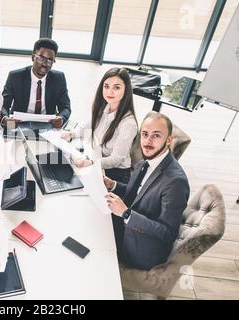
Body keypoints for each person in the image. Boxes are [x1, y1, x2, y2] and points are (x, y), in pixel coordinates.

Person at [103, 112, 190, 270]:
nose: (148, 141)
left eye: (156, 136)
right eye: (145, 134)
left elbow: (167, 233)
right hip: (126, 227)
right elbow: (138, 194)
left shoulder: (176, 182)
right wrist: (113, 185)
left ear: (169, 140)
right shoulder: (146, 162)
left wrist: (126, 214)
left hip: (140, 249)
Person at [62, 67, 138, 184]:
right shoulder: (106, 107)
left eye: (116, 87)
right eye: (106, 86)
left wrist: (91, 163)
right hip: (98, 160)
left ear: (126, 90)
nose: (109, 92)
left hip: (115, 174)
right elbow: (89, 126)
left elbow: (116, 160)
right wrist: (72, 134)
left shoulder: (128, 124)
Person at [0, 38, 71, 129]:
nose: (45, 64)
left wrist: (61, 119)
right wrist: (6, 119)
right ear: (33, 57)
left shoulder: (59, 78)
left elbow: (66, 107)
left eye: (50, 60)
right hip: (18, 123)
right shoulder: (15, 77)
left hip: (48, 124)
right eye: (41, 58)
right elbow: (4, 105)